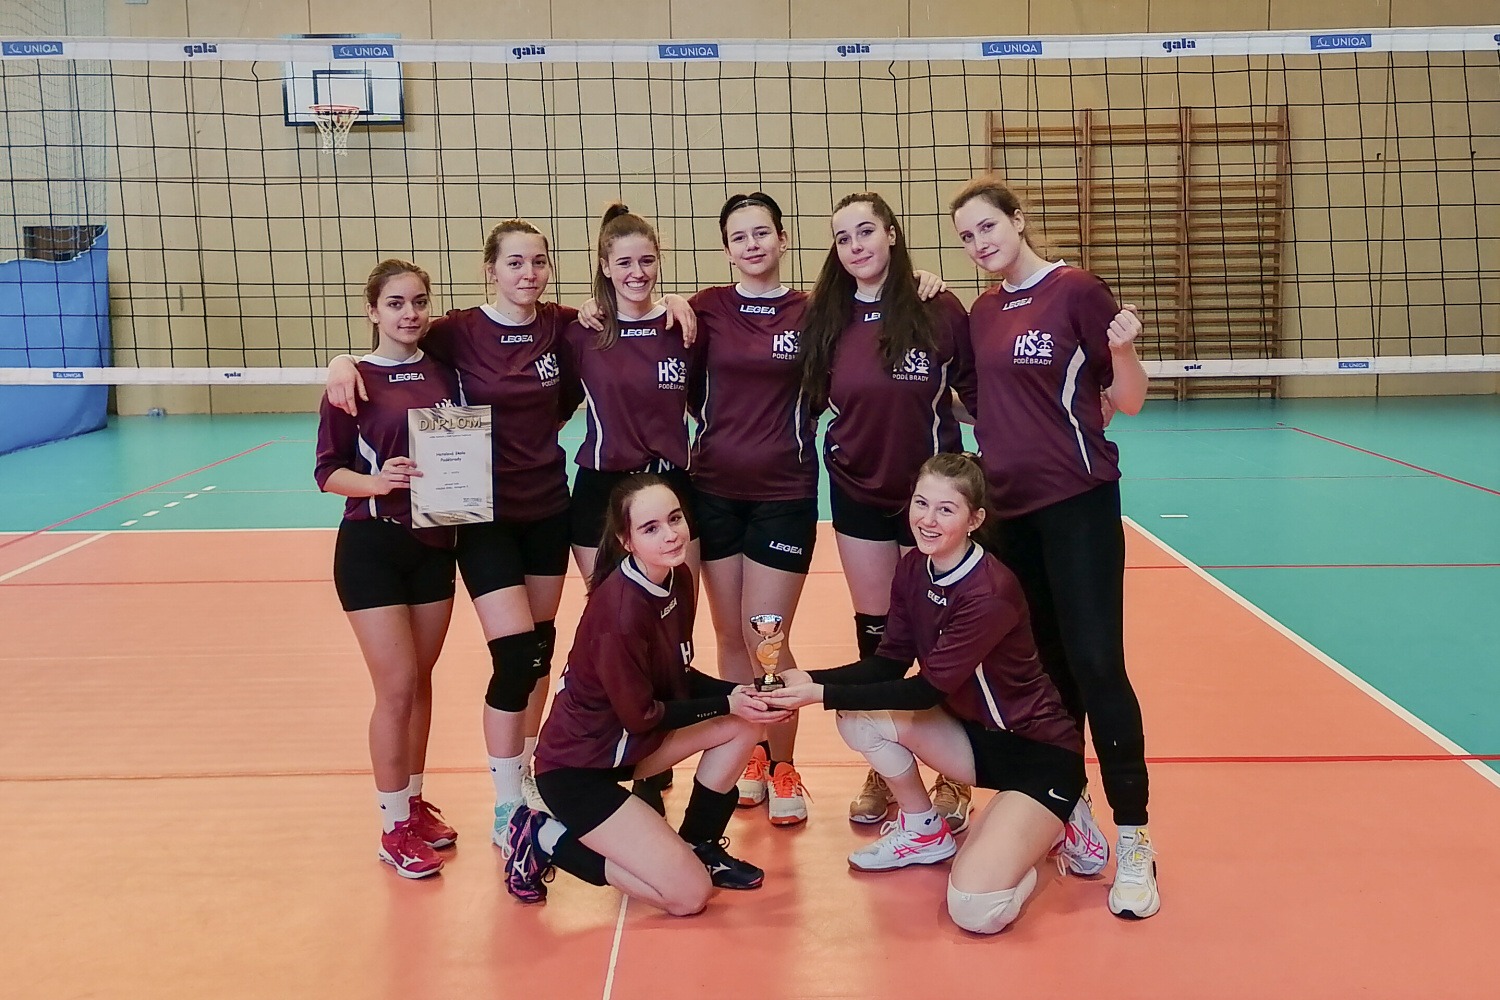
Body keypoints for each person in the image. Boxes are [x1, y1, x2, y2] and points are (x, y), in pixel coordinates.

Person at [324, 221, 696, 849]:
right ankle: (506, 803)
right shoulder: (456, 330)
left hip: (547, 504)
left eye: (539, 262)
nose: (528, 273)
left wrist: (674, 303)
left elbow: (623, 328)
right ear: (490, 270)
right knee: (515, 656)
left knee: (541, 651)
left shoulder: (563, 325)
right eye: (515, 262)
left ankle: (535, 780)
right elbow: (392, 347)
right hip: (482, 515)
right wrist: (340, 362)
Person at [761, 454, 1108, 934]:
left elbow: (926, 690)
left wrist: (818, 693)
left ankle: (1061, 819)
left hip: (1038, 755)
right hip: (973, 741)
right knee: (857, 715)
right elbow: (887, 663)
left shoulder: (990, 591)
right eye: (921, 503)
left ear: (975, 520)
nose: (927, 519)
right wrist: (806, 677)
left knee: (974, 908)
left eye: (946, 509)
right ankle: (923, 831)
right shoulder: (913, 570)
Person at [948, 175, 1157, 919]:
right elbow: (979, 403)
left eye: (987, 226)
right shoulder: (980, 312)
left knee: (1098, 666)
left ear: (1018, 219)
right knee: (1047, 674)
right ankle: (1074, 812)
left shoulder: (1075, 291)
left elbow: (1127, 399)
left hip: (1077, 504)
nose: (979, 243)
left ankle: (1136, 840)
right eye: (966, 236)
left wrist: (1125, 352)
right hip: (1008, 515)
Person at [503, 474, 788, 913]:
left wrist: (743, 693)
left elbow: (677, 675)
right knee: (689, 896)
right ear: (626, 541)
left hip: (629, 747)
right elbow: (642, 715)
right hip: (578, 770)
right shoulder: (620, 613)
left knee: (746, 722)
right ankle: (544, 837)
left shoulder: (677, 579)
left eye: (675, 519)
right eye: (650, 528)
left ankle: (700, 845)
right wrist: (725, 702)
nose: (670, 534)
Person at [799, 191, 977, 833]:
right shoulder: (826, 315)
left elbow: (978, 396)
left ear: (892, 234)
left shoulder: (938, 308)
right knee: (878, 633)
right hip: (857, 491)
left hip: (929, 497)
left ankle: (955, 768)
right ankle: (887, 758)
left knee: (942, 632)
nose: (856, 246)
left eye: (866, 231)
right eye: (843, 237)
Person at [314, 259, 462, 878]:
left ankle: (415, 802)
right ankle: (392, 826)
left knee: (421, 682)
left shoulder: (446, 370)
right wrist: (377, 482)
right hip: (372, 546)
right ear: (373, 311)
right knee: (396, 687)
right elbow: (327, 473)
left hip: (435, 543)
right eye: (396, 303)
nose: (410, 313)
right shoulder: (353, 380)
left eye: (419, 302)